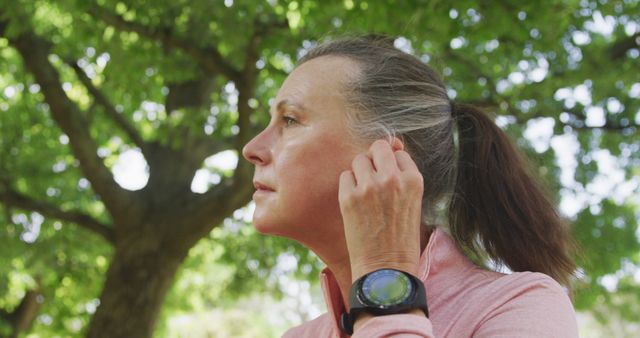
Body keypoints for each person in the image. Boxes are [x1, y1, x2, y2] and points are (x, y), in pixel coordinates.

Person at [242, 36, 579, 337]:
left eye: (289, 120)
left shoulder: (522, 307)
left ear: (386, 157)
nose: (252, 149)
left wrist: (384, 271)